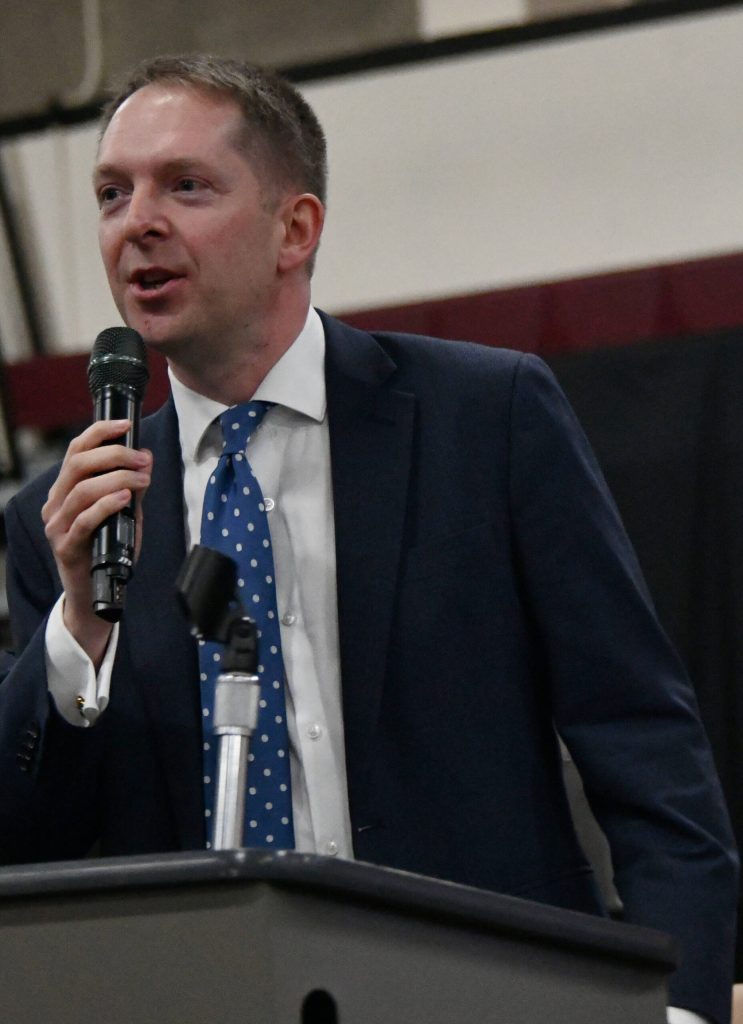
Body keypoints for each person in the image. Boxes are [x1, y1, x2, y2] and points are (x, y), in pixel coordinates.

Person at [0, 55, 736, 1024]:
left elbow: (641, 741)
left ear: (293, 228)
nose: (137, 221)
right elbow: (29, 843)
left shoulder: (486, 417)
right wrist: (76, 634)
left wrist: (675, 1007)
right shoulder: (65, 515)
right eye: (110, 192)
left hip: (489, 995)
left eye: (185, 185)